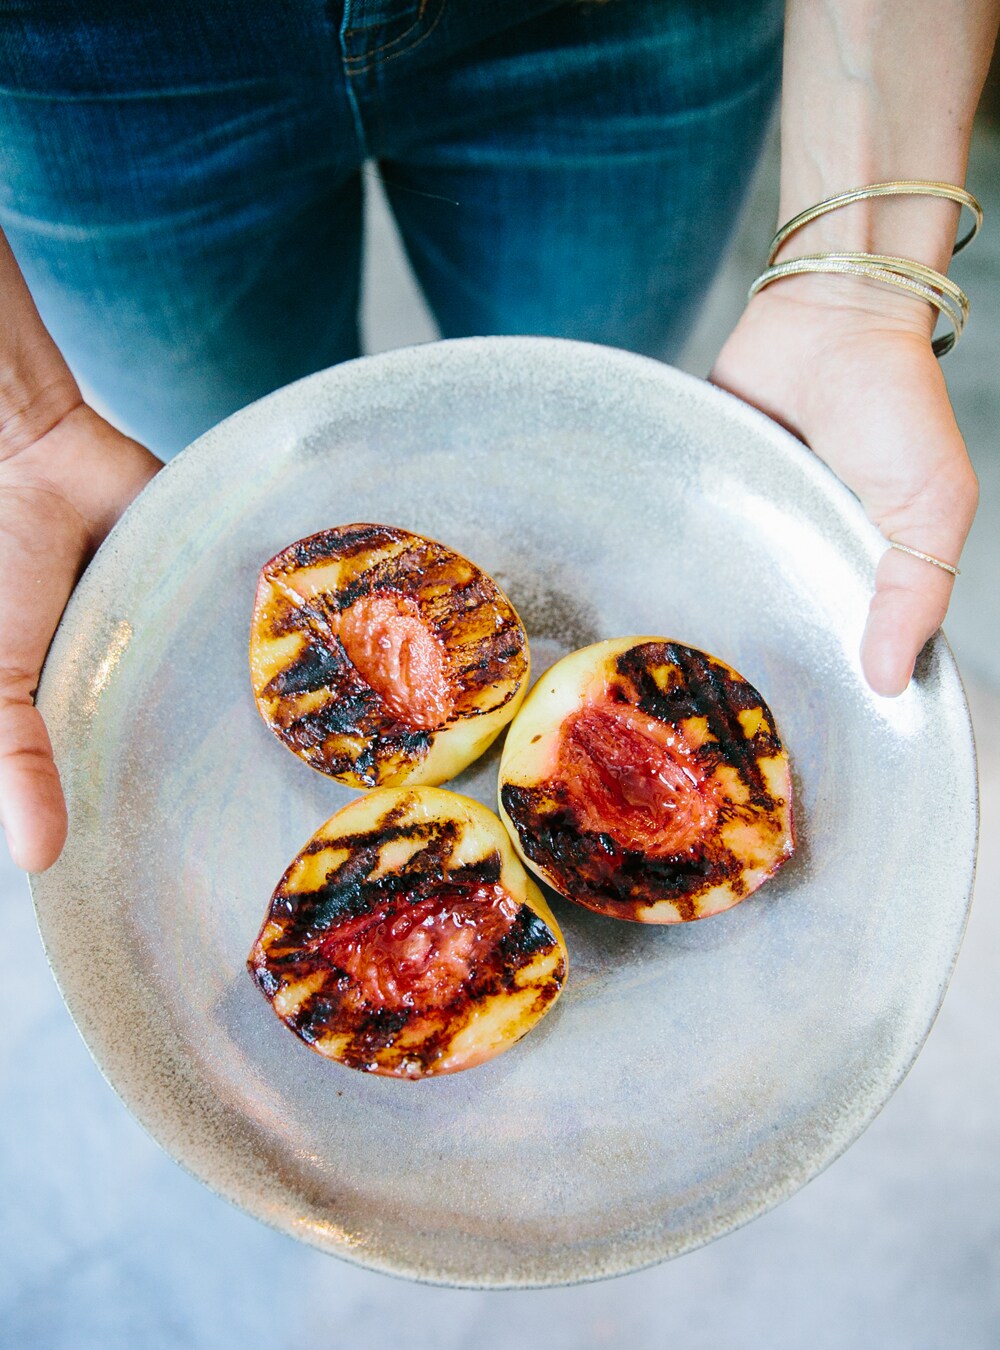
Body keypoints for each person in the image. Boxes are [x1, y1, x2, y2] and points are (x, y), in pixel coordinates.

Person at [0, 0, 995, 873]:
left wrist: (860, 285)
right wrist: (18, 423)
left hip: (616, 19)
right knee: (238, 474)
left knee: (581, 427)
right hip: (79, 66)